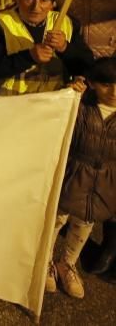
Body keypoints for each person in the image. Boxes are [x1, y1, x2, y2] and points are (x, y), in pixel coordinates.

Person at [45, 57, 116, 299]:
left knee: (85, 222)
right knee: (57, 219)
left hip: (105, 179)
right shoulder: (81, 106)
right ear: (94, 84)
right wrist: (70, 92)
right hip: (73, 172)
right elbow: (56, 116)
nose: (114, 92)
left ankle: (68, 264)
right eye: (107, 84)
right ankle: (46, 262)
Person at [0, 0, 93, 95]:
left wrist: (65, 48)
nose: (36, 7)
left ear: (53, 3)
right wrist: (29, 57)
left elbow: (87, 66)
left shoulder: (67, 22)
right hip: (11, 102)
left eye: (43, 0)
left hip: (54, 102)